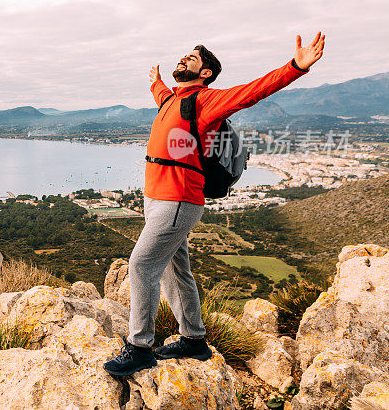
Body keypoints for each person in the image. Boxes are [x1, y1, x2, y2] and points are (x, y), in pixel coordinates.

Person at [103, 32, 326, 378]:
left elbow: (253, 91)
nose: (184, 59)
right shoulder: (171, 100)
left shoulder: (207, 101)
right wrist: (156, 82)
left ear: (206, 73)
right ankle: (194, 340)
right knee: (176, 270)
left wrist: (296, 66)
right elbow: (162, 94)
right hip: (157, 199)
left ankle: (139, 347)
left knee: (142, 265)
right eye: (184, 56)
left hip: (178, 200)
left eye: (193, 58)